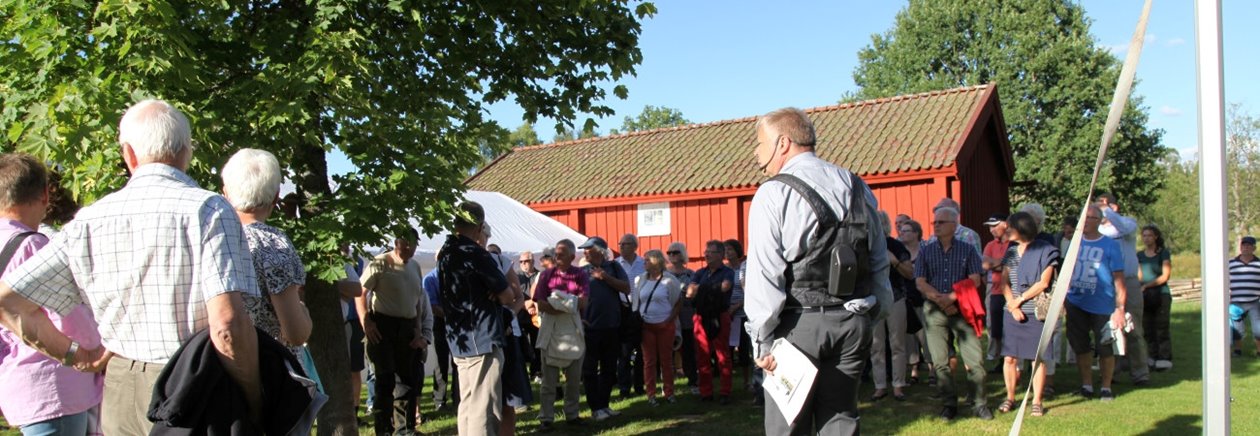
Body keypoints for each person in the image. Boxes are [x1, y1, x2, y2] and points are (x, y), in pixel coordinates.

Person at [0, 100, 261, 435]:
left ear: (129, 154)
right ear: (186, 152)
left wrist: (78, 356)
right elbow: (227, 323)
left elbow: (10, 300)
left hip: (121, 384)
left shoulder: (91, 219)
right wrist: (253, 394)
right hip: (194, 380)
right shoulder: (209, 210)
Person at [744, 108, 893, 435]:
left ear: (782, 143)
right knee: (840, 423)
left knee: (788, 427)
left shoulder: (773, 192)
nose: (756, 153)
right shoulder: (858, 186)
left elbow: (764, 276)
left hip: (797, 327)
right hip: (853, 321)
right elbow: (879, 259)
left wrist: (762, 342)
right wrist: (872, 315)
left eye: (759, 143)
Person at [0, 153, 104, 435]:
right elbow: (67, 314)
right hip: (52, 383)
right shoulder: (33, 247)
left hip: (13, 378)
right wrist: (96, 350)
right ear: (45, 195)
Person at [221, 148, 313, 370]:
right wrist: (304, 313)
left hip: (221, 367)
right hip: (270, 372)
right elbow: (296, 333)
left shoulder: (215, 239)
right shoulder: (273, 245)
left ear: (225, 193)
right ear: (276, 196)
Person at [438, 201, 515, 435]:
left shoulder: (445, 253)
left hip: (459, 337)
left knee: (469, 402)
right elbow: (508, 295)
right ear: (480, 226)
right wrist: (495, 292)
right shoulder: (474, 253)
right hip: (481, 337)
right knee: (485, 407)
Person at [915, 206, 991, 421]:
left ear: (953, 225)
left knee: (974, 360)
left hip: (962, 309)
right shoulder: (926, 251)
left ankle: (979, 403)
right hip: (934, 310)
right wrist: (939, 299)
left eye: (941, 222)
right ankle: (949, 404)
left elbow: (975, 279)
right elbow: (920, 281)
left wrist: (951, 298)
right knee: (940, 361)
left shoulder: (967, 249)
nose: (936, 226)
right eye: (934, 223)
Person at [357, 228, 433, 435]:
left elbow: (416, 302)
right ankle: (383, 429)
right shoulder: (381, 262)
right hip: (383, 326)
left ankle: (404, 429)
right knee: (385, 379)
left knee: (406, 381)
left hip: (407, 328)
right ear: (397, 243)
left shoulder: (415, 267)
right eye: (408, 244)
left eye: (414, 244)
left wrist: (418, 330)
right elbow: (360, 293)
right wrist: (367, 322)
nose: (412, 248)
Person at [995, 212, 1060, 417]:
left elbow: (1043, 282)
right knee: (1009, 359)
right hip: (1012, 312)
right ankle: (1010, 397)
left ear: (1021, 228)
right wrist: (1012, 306)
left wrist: (1019, 300)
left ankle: (1037, 401)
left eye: (1010, 228)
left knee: (1037, 358)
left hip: (1036, 312)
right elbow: (1004, 282)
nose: (1007, 231)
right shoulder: (1011, 251)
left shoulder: (1047, 250)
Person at [1066, 204, 1128, 402]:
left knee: (1105, 347)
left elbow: (1119, 278)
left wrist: (1120, 309)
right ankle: (1086, 385)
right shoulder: (1074, 243)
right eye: (1083, 218)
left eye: (1090, 218)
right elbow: (1066, 273)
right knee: (1081, 346)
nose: (1085, 222)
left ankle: (1106, 387)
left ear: (1099, 221)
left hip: (1102, 304)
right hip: (1076, 302)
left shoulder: (1110, 245)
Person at [532, 239, 588, 430]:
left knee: (573, 378)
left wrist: (560, 303)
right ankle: (546, 418)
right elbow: (540, 303)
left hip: (572, 328)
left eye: (561, 254)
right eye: (556, 253)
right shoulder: (546, 275)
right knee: (548, 381)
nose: (557, 257)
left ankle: (572, 414)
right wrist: (564, 306)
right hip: (551, 327)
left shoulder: (579, 274)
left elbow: (583, 302)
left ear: (572, 257)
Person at [1096, 193, 1149, 384]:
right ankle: (1113, 373)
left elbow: (1121, 229)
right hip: (1106, 283)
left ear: (1113, 207)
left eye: (1102, 205)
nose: (1099, 208)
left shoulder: (1127, 223)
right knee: (1109, 329)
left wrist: (1106, 210)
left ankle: (1140, 373)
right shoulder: (1098, 229)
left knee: (1134, 328)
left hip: (1128, 281)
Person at [577, 236, 629, 420]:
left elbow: (626, 288)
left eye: (588, 249)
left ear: (599, 250)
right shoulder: (581, 272)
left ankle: (605, 405)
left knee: (609, 368)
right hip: (590, 327)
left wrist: (605, 278)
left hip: (612, 325)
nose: (584, 252)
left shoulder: (614, 267)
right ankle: (595, 408)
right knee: (590, 370)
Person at [632, 249, 684, 406]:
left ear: (656, 262)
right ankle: (651, 395)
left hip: (665, 325)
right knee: (649, 361)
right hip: (646, 326)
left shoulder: (670, 280)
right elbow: (636, 302)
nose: (644, 263)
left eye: (647, 260)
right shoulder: (640, 280)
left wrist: (668, 321)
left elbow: (678, 302)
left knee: (666, 360)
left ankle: (669, 392)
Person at [688, 240, 737, 405]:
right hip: (701, 317)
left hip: (719, 315)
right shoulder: (699, 272)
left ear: (720, 255)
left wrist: (700, 289)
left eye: (711, 251)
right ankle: (706, 392)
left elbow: (725, 287)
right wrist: (710, 288)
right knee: (702, 356)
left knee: (723, 355)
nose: (706, 254)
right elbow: (689, 293)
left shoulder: (727, 272)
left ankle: (725, 392)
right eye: (705, 251)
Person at [871, 211, 911, 402]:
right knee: (876, 345)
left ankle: (898, 385)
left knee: (897, 344)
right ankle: (879, 386)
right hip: (874, 301)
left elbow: (910, 273)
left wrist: (894, 261)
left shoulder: (895, 245)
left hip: (896, 298)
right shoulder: (867, 246)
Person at [900, 219, 932, 385]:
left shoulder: (925, 251)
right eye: (902, 230)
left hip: (923, 298)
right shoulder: (900, 251)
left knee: (925, 335)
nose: (902, 233)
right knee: (909, 337)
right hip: (907, 298)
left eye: (906, 231)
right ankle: (914, 370)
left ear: (916, 233)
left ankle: (932, 368)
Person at [615, 233, 646, 398]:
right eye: (620, 243)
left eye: (625, 244)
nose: (621, 246)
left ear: (635, 246)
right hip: (624, 310)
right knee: (624, 353)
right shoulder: (615, 265)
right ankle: (624, 389)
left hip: (641, 310)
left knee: (642, 351)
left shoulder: (643, 263)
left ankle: (640, 386)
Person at [665, 242, 698, 393]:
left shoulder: (691, 274)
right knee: (668, 352)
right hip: (669, 317)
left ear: (682, 254)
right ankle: (668, 385)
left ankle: (693, 381)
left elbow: (695, 295)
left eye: (675, 252)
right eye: (669, 252)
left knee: (689, 350)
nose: (671, 255)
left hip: (686, 316)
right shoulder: (664, 274)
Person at [1138, 225, 1172, 370]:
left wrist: (1148, 285)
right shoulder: (1139, 255)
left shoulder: (1163, 253)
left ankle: (1164, 358)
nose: (1146, 238)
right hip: (1144, 294)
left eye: (1149, 235)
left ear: (1155, 237)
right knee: (1147, 327)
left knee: (1161, 326)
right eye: (1144, 235)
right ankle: (1151, 356)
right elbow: (1139, 275)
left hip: (1161, 293)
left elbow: (1165, 275)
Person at [722, 239, 754, 396]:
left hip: (741, 313)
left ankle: (747, 381)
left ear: (737, 251)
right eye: (725, 250)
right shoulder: (724, 269)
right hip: (727, 314)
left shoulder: (744, 267)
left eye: (730, 250)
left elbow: (748, 290)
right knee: (726, 349)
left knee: (743, 349)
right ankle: (727, 381)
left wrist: (736, 307)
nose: (728, 253)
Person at [982, 213, 1011, 369]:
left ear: (1005, 225)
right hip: (995, 291)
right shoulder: (990, 245)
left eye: (994, 226)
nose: (991, 230)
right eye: (989, 227)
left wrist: (997, 264)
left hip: (1012, 291)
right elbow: (985, 265)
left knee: (1012, 326)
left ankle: (1015, 360)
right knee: (996, 327)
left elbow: (1014, 265)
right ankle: (1000, 360)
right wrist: (1003, 263)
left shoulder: (1013, 243)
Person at [1229, 236, 1260, 357]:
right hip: (1235, 302)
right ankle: (1237, 351)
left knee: (1258, 330)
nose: (1245, 248)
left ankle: (1259, 351)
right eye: (1243, 245)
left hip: (1254, 302)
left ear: (1254, 248)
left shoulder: (1258, 263)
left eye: (1248, 245)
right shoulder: (1230, 263)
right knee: (1237, 330)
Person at [517, 250, 542, 380]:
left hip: (535, 317)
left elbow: (542, 294)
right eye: (521, 261)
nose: (523, 264)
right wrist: (525, 305)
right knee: (521, 347)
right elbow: (513, 294)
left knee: (537, 345)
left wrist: (531, 304)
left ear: (532, 261)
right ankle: (522, 374)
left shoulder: (540, 276)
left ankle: (536, 371)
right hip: (520, 317)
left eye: (526, 261)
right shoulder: (516, 275)